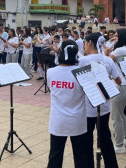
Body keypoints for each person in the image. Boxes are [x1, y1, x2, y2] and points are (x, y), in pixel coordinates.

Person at [79, 33, 121, 168]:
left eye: (85, 43)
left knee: (87, 140)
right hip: (104, 106)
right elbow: (119, 80)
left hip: (88, 106)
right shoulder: (107, 60)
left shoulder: (83, 61)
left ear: (90, 42)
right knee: (105, 138)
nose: (84, 46)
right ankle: (111, 165)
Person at [47, 40, 89, 168]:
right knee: (81, 155)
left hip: (58, 120)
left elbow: (51, 89)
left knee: (55, 155)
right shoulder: (82, 72)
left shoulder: (50, 72)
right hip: (77, 120)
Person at [104, 28, 126, 154]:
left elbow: (108, 61)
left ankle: (119, 145)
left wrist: (106, 50)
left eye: (116, 36)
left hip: (121, 86)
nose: (114, 37)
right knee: (121, 114)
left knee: (116, 117)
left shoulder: (120, 49)